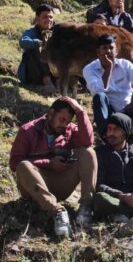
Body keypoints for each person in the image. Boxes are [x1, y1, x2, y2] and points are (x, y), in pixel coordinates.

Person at [9, 97, 97, 237]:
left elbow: (88, 141)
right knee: (24, 165)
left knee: (88, 152)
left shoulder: (69, 130)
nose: (64, 124)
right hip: (34, 187)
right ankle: (57, 212)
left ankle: (86, 208)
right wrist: (49, 163)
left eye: (68, 121)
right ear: (50, 113)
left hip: (60, 184)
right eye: (62, 119)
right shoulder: (28, 130)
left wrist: (80, 111)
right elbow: (15, 163)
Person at [83, 34, 133, 141]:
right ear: (98, 52)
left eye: (111, 48)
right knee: (99, 97)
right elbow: (97, 90)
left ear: (117, 51)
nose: (108, 51)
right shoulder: (90, 69)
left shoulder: (125, 65)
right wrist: (108, 69)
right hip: (110, 115)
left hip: (129, 111)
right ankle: (106, 137)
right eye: (104, 48)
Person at [17, 4, 56, 93]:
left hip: (52, 72)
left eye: (51, 17)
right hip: (33, 73)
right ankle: (47, 81)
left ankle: (59, 81)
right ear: (37, 19)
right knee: (35, 48)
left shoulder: (56, 32)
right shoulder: (31, 32)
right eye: (45, 17)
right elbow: (23, 42)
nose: (49, 20)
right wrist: (39, 42)